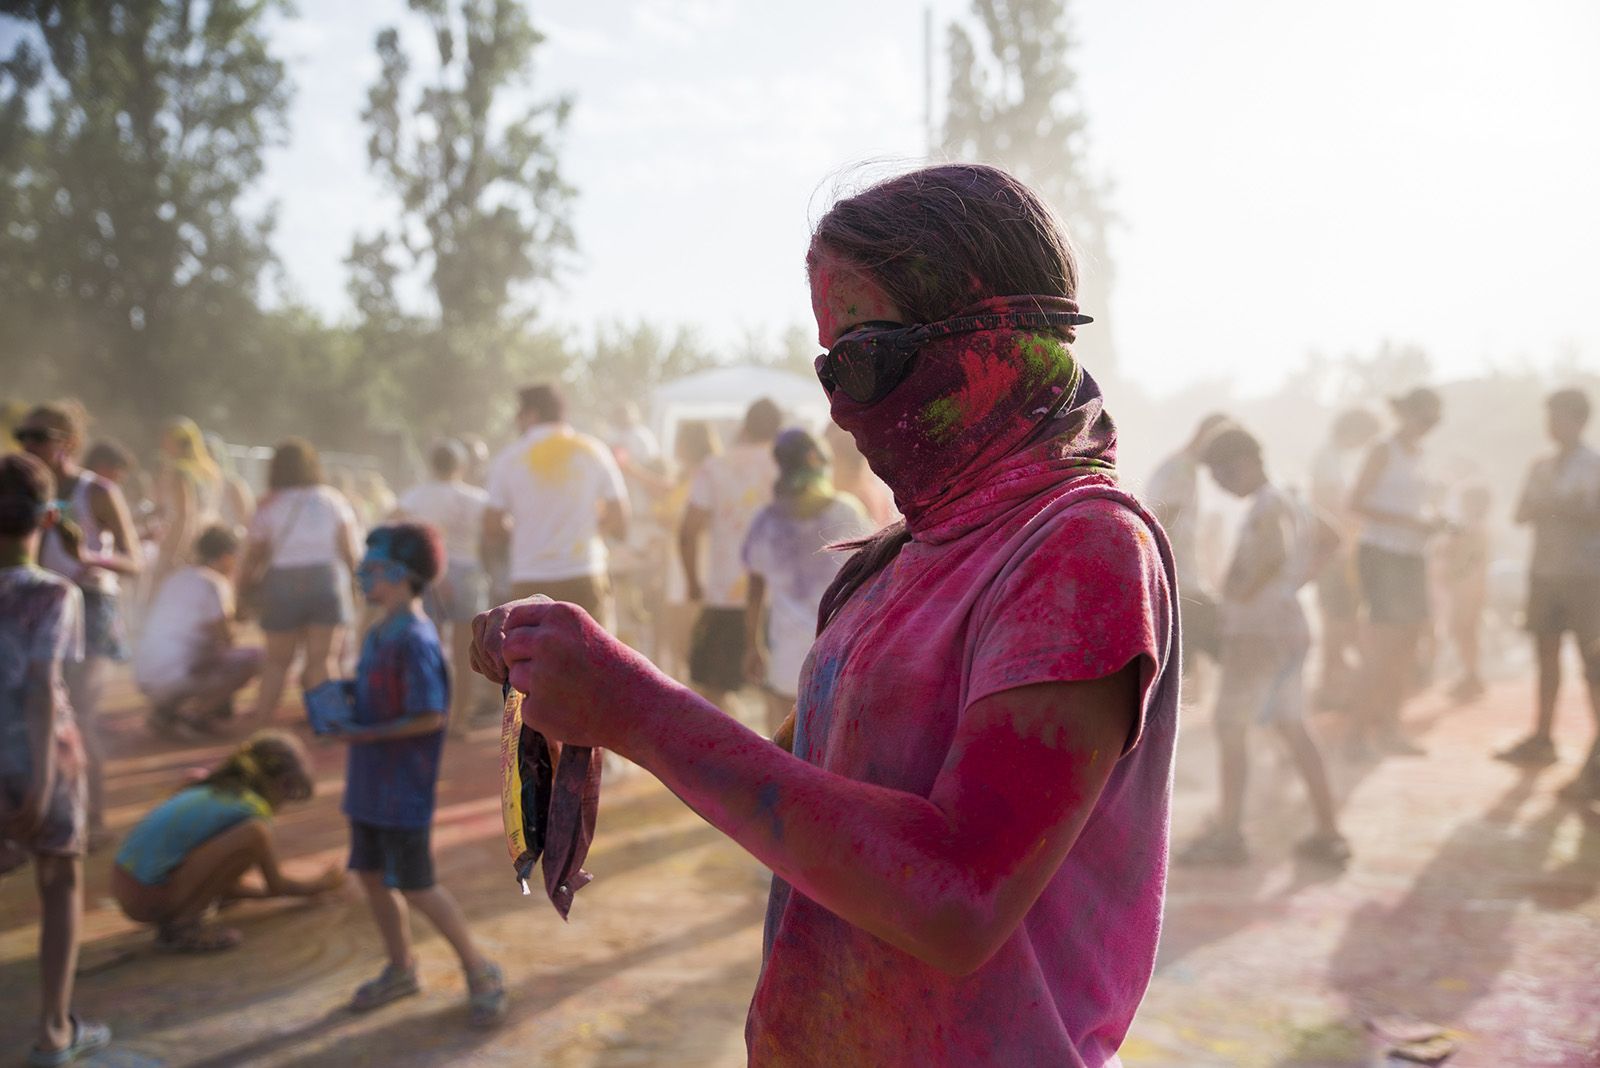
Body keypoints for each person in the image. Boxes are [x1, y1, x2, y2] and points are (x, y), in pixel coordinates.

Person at [472, 163, 1180, 1065]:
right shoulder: (902, 557)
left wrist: (637, 709)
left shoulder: (1079, 547)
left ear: (995, 332)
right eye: (827, 366)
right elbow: (802, 784)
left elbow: (957, 896)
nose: (843, 406)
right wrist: (580, 686)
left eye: (866, 357)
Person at [330, 523, 506, 1027]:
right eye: (363, 569)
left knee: (416, 884)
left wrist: (362, 733)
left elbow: (430, 714)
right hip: (367, 785)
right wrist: (343, 702)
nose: (365, 577)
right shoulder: (376, 632)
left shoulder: (416, 638)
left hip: (402, 789)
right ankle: (402, 967)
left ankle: (479, 968)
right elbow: (376, 695)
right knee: (368, 873)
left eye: (374, 570)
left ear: (404, 577)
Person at [1177, 427, 1349, 866]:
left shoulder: (1269, 506)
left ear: (1251, 461)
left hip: (1259, 633)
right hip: (1284, 626)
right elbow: (1331, 537)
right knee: (1291, 726)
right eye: (1215, 476)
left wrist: (1238, 593)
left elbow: (1271, 556)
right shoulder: (1291, 498)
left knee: (1231, 728)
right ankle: (1328, 829)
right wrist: (1292, 584)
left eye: (1225, 472)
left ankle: (1230, 833)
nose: (1221, 482)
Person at [0, 452, 112, 1066]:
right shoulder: (53, 594)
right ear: (47, 519)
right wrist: (41, 785)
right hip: (44, 760)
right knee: (59, 878)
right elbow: (43, 689)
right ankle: (53, 1029)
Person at [18, 404, 143, 851]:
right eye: (22, 437)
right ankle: (49, 809)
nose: (28, 445)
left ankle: (95, 819)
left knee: (82, 712)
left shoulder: (98, 491)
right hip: (40, 603)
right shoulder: (25, 490)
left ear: (67, 443)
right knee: (41, 709)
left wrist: (88, 558)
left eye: (38, 436)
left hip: (90, 603)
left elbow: (134, 561)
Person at [110, 730, 339, 952]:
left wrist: (246, 893)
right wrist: (321, 884)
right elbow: (276, 885)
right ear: (284, 785)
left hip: (126, 883)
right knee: (254, 834)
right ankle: (183, 927)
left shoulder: (212, 785)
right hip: (147, 895)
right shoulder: (251, 808)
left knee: (244, 838)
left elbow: (232, 881)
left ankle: (187, 910)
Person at [1497, 388, 1600, 794]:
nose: (1551, 425)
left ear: (1577, 420)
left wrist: (1557, 508)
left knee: (1592, 661)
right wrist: (1554, 507)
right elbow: (1521, 513)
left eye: (1557, 417)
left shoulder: (1593, 465)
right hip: (1545, 572)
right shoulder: (1540, 465)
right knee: (1546, 655)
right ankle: (1543, 737)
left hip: (1586, 576)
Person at [741, 428, 871, 733]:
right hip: (838, 654)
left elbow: (754, 590)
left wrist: (753, 645)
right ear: (818, 461)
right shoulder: (846, 511)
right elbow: (871, 581)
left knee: (782, 753)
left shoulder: (766, 521)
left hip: (787, 660)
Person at [1347, 387, 1445, 759]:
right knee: (1383, 645)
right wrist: (1410, 522)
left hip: (1412, 555)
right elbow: (1356, 502)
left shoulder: (1423, 455)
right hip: (1382, 554)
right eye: (1424, 417)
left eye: (1434, 420)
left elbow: (1420, 505)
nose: (1428, 426)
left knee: (1407, 644)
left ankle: (1390, 727)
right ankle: (1355, 736)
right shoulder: (1383, 449)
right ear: (1406, 413)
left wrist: (1433, 522)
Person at [238, 439, 360, 721]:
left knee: (278, 661)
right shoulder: (331, 499)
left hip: (282, 581)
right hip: (326, 579)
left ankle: (262, 725)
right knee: (323, 660)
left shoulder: (269, 502)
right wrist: (357, 585)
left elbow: (255, 552)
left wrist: (241, 588)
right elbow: (349, 551)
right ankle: (330, 724)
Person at [484, 384, 628, 623]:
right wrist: (588, 532)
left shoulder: (509, 458)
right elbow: (620, 514)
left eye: (519, 414)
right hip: (584, 573)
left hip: (529, 579)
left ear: (532, 414)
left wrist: (526, 535)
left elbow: (491, 525)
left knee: (533, 659)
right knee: (592, 659)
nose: (516, 421)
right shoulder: (593, 450)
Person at [678, 398, 782, 711]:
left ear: (745, 427)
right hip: (774, 597)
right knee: (776, 697)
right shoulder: (784, 467)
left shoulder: (715, 467)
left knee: (712, 692)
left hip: (724, 594)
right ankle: (776, 759)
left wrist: (693, 583)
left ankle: (724, 758)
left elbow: (687, 531)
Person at [396, 440, 491, 733]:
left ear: (431, 465)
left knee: (430, 650)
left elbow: (397, 533)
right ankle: (460, 720)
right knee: (466, 652)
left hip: (428, 574)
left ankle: (432, 716)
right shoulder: (478, 499)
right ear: (461, 466)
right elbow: (495, 533)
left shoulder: (413, 498)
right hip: (469, 572)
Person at [134, 524, 263, 737]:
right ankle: (194, 716)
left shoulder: (177, 577)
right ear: (226, 557)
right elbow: (227, 638)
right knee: (257, 658)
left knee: (202, 653)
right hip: (176, 676)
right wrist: (241, 618)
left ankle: (165, 712)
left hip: (146, 675)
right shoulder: (214, 583)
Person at [1144, 412, 1233, 681]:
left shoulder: (1187, 468)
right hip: (1179, 578)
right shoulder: (1180, 468)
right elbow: (1165, 519)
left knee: (1186, 659)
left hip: (1184, 575)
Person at [1307, 408, 1382, 710]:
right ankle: (1330, 687)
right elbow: (1330, 505)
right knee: (1338, 621)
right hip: (1337, 553)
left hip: (1342, 550)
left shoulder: (1335, 458)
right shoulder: (1329, 459)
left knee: (1340, 619)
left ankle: (1332, 684)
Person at [655, 421, 721, 682]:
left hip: (696, 567)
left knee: (689, 646)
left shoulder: (706, 475)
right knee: (679, 645)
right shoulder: (689, 476)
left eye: (679, 441)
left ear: (689, 444)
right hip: (680, 565)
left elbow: (693, 522)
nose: (675, 447)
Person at [153, 418, 223, 587]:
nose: (163, 446)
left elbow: (185, 515)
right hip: (210, 540)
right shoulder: (210, 471)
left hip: (186, 543)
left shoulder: (180, 472)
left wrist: (174, 554)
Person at [1440, 482, 1492, 703]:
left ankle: (1471, 675)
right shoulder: (1468, 526)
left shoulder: (1475, 528)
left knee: (1465, 629)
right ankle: (1470, 673)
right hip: (1465, 585)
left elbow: (1473, 560)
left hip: (1469, 586)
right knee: (1461, 629)